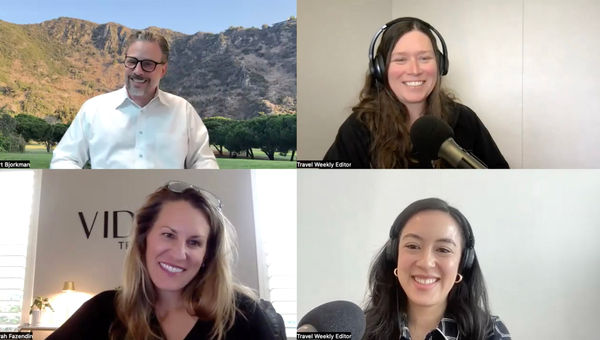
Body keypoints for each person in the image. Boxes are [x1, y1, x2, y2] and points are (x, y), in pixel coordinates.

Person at [48, 181, 276, 340]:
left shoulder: (244, 315)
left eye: (194, 242)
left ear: (208, 253)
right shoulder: (103, 311)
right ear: (143, 239)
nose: (179, 253)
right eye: (168, 235)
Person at [323, 18, 508, 168]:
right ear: (380, 69)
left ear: (440, 65)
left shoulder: (464, 120)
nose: (414, 69)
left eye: (424, 58)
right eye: (401, 59)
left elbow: (501, 183)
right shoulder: (359, 128)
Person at [50, 31, 218, 169]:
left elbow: (203, 162)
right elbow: (65, 159)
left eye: (148, 64)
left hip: (165, 208)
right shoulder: (94, 109)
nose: (137, 71)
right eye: (132, 62)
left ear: (163, 70)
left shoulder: (183, 110)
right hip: (107, 208)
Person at [363, 198, 511, 340]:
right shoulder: (360, 327)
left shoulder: (491, 333)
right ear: (394, 255)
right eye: (412, 246)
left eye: (443, 250)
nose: (426, 263)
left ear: (463, 262)